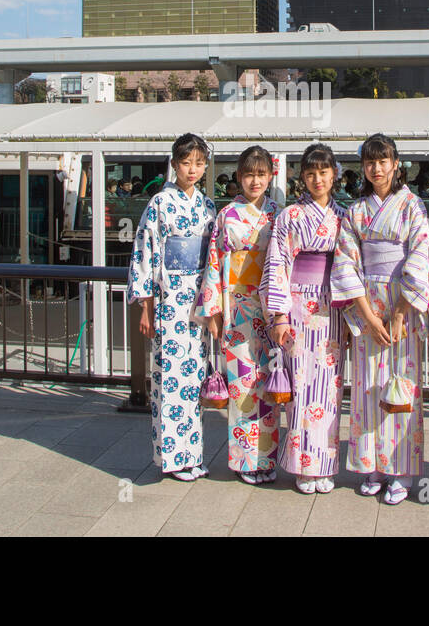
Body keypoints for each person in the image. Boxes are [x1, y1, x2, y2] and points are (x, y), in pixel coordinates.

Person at [330, 133, 429, 505]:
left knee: (401, 384)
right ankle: (370, 466)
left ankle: (401, 470)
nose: (377, 168)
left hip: (401, 301)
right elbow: (345, 262)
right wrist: (367, 316)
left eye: (383, 161)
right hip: (367, 305)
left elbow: (421, 255)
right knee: (366, 387)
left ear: (395, 164)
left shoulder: (413, 206)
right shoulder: (356, 212)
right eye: (370, 162)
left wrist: (402, 310)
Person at [127, 133, 217, 482]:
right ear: (174, 164)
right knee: (171, 379)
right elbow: (145, 256)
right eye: (186, 163)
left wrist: (214, 303)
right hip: (168, 298)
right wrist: (146, 308)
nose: (192, 170)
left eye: (198, 163)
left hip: (198, 298)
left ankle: (193, 453)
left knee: (195, 378)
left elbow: (213, 257)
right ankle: (172, 458)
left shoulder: (207, 207)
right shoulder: (159, 204)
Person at [262, 143, 347, 494]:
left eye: (323, 172)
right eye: (310, 173)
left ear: (334, 175)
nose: (317, 179)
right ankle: (301, 465)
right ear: (302, 177)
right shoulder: (289, 217)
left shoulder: (345, 216)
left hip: (333, 306)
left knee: (329, 387)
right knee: (299, 385)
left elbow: (352, 266)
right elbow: (278, 264)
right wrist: (279, 315)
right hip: (297, 303)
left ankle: (325, 465)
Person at [196, 146, 281, 485]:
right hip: (237, 305)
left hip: (269, 304)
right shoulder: (227, 215)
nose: (255, 181)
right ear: (239, 177)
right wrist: (213, 311)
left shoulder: (278, 213)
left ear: (271, 176)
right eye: (249, 174)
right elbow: (214, 262)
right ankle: (247, 461)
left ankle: (268, 458)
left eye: (261, 174)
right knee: (243, 385)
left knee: (271, 382)